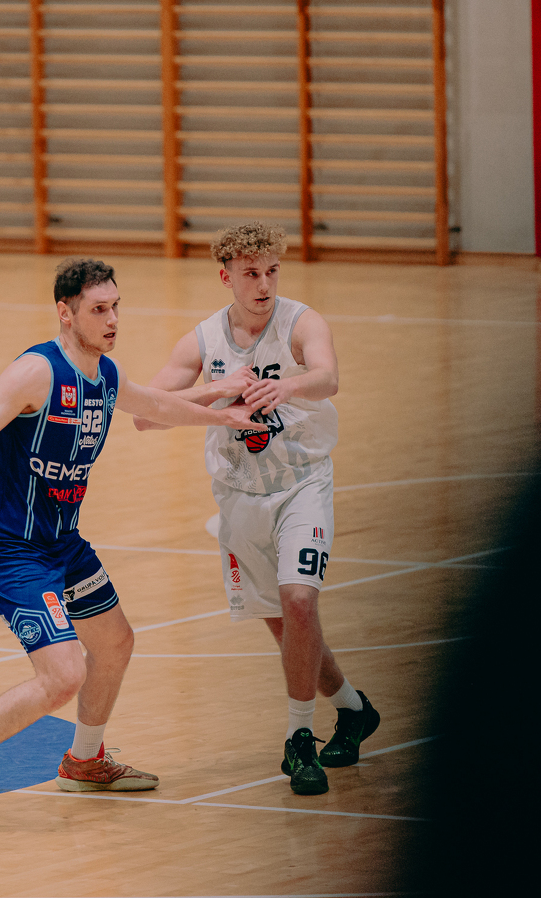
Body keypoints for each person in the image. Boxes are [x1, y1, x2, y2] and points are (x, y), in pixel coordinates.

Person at [0, 257, 267, 838]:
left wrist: (224, 406)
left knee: (114, 644)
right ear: (65, 313)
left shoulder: (106, 375)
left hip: (62, 543)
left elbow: (154, 404)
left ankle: (85, 761)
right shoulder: (36, 372)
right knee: (63, 676)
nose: (112, 320)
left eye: (115, 307)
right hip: (8, 549)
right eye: (98, 309)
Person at [132, 222, 379, 797]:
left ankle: (298, 737)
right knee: (285, 620)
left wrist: (288, 387)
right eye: (251, 273)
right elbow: (145, 413)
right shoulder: (202, 341)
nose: (264, 284)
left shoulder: (301, 322)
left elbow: (328, 377)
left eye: (271, 271)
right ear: (226, 278)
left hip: (301, 484)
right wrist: (213, 390)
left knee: (300, 600)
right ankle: (353, 709)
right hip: (239, 494)